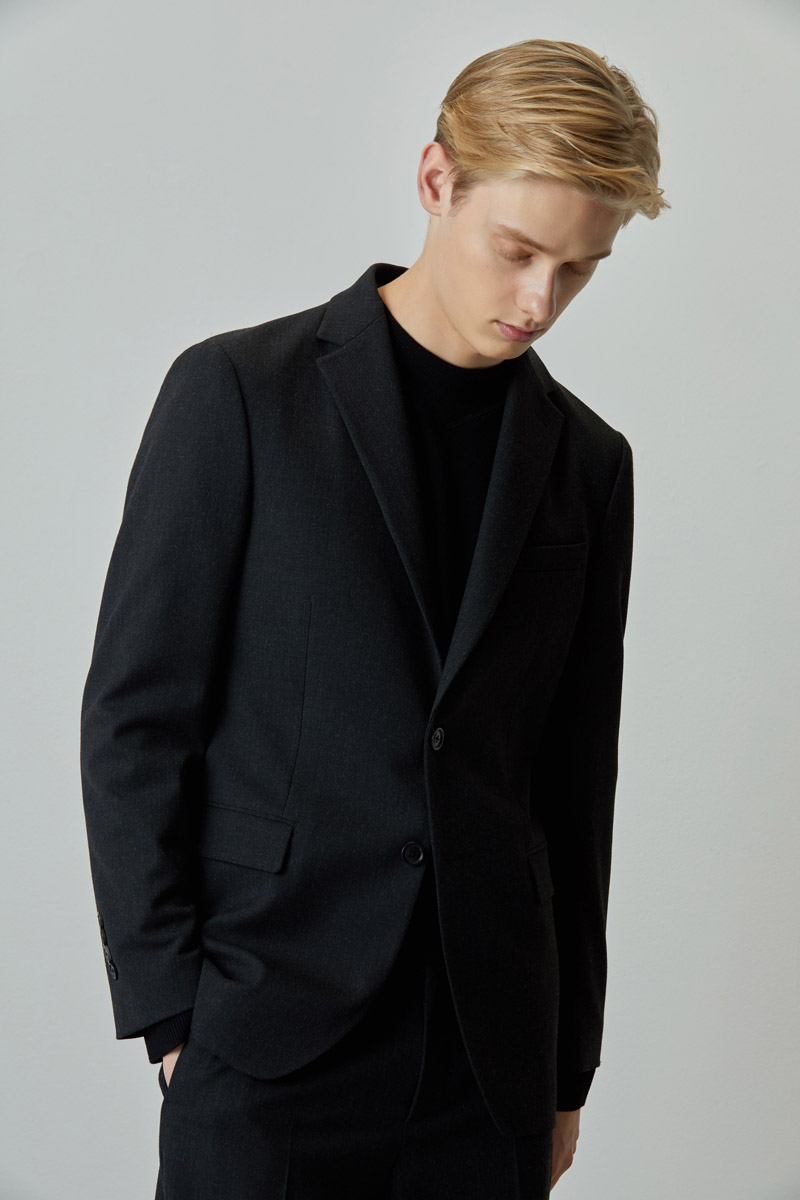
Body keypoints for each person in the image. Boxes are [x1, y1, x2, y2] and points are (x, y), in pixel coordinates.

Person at [80, 37, 667, 1199]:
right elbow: (137, 719)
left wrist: (564, 1069)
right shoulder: (238, 395)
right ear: (435, 180)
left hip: (485, 1071)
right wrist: (171, 1014)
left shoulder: (586, 464)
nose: (539, 302)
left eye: (578, 270)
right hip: (268, 1039)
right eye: (517, 251)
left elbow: (571, 782)